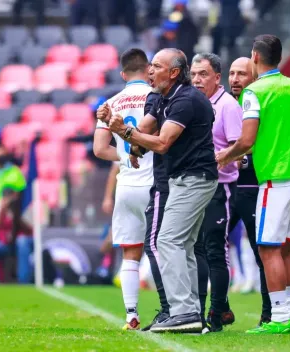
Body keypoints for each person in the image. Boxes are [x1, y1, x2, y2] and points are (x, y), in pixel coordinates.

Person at [108, 48, 218, 333]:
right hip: (187, 178)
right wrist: (126, 134)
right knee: (183, 246)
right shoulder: (165, 97)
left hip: (193, 178)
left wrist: (125, 131)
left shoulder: (186, 100)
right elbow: (143, 137)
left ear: (173, 72)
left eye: (156, 66)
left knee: (166, 241)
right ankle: (191, 311)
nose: (150, 71)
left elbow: (162, 143)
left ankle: (182, 311)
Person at [216, 34, 290, 334]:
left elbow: (247, 140)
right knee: (286, 248)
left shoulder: (254, 92)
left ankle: (280, 317)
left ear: (255, 57)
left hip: (277, 178)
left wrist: (225, 155)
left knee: (268, 249)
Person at [93, 48, 154, 330]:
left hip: (127, 184)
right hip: (155, 182)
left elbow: (98, 149)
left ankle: (131, 315)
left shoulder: (110, 103)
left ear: (123, 74)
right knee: (165, 249)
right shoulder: (157, 97)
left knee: (131, 252)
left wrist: (125, 157)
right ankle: (174, 311)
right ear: (149, 69)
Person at [190, 52, 242, 332]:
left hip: (220, 188)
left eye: (203, 74)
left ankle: (217, 312)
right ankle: (196, 311)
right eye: (194, 74)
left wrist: (216, 158)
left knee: (214, 250)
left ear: (217, 78)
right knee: (196, 249)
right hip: (195, 186)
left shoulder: (228, 106)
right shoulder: (195, 102)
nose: (197, 79)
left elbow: (240, 150)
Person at [227, 57, 272, 326]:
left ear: (254, 78)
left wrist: (241, 159)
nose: (234, 79)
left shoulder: (259, 103)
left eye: (241, 73)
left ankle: (269, 314)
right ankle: (217, 309)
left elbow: (261, 144)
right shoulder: (224, 105)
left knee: (262, 251)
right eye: (231, 73)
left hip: (253, 186)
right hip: (225, 187)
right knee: (209, 244)